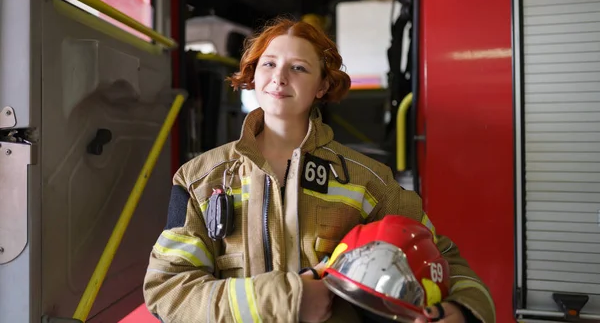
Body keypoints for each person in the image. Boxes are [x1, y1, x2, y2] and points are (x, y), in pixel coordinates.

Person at [143, 17, 495, 323]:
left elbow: (440, 256)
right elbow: (168, 292)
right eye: (268, 64)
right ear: (253, 73)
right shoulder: (199, 179)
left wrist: (464, 309)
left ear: (322, 86)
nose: (279, 77)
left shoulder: (366, 180)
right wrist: (289, 300)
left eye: (298, 68)